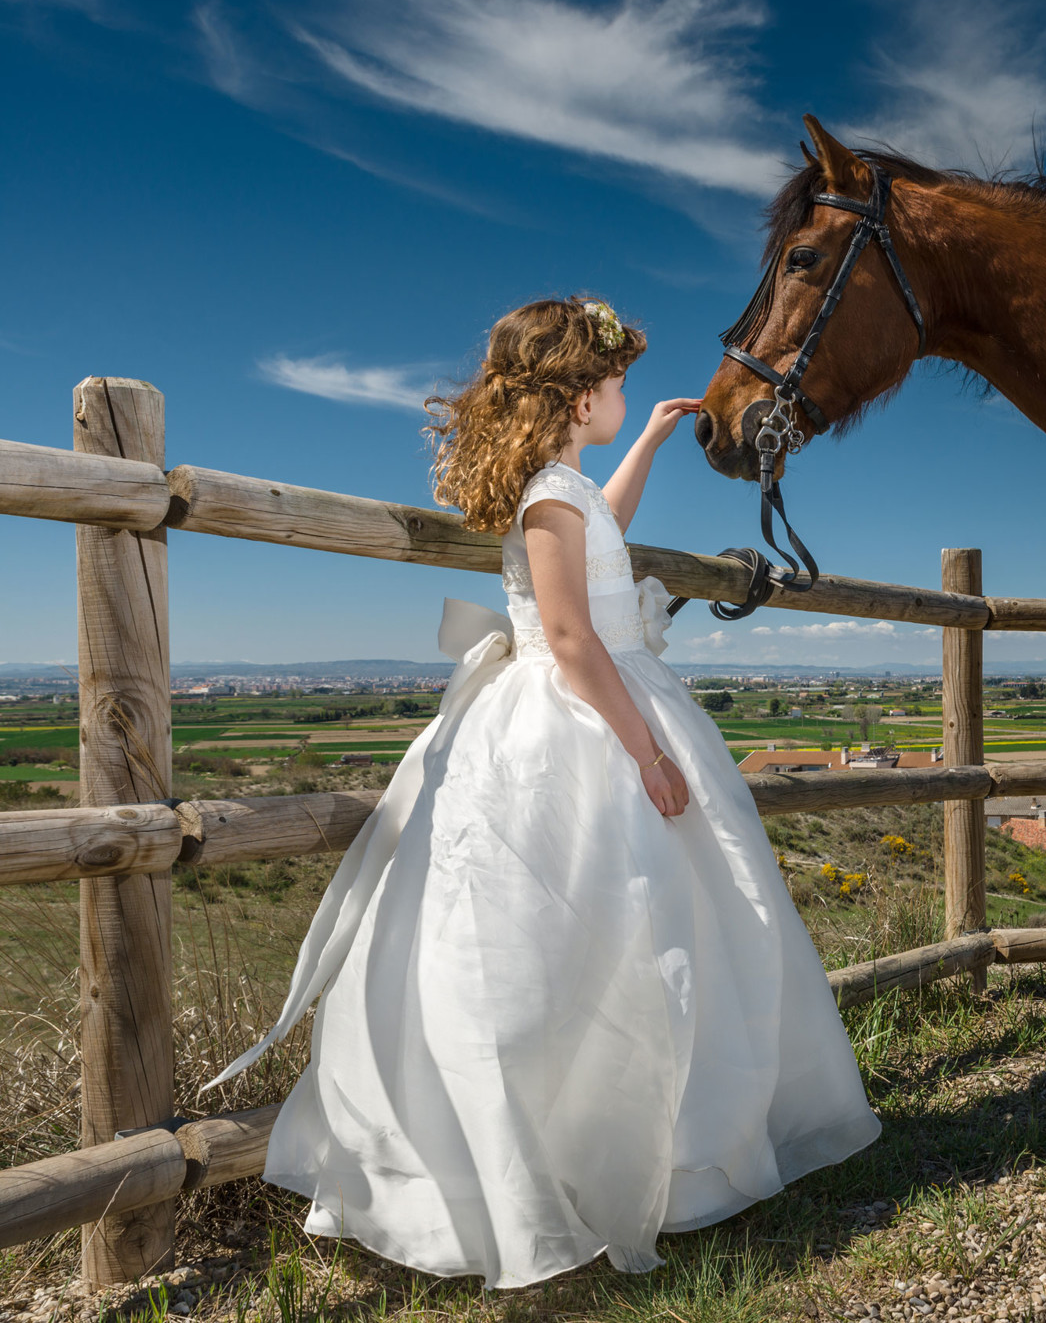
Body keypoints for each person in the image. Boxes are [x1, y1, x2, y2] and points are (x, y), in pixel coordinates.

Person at [205, 296, 880, 1288]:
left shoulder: (562, 489)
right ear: (575, 392)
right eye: (618, 385)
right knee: (589, 937)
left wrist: (646, 443)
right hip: (581, 719)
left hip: (592, 700)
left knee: (624, 933)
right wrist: (647, 749)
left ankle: (639, 1152)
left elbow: (604, 531)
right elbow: (569, 638)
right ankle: (573, 1163)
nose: (626, 395)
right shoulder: (548, 498)